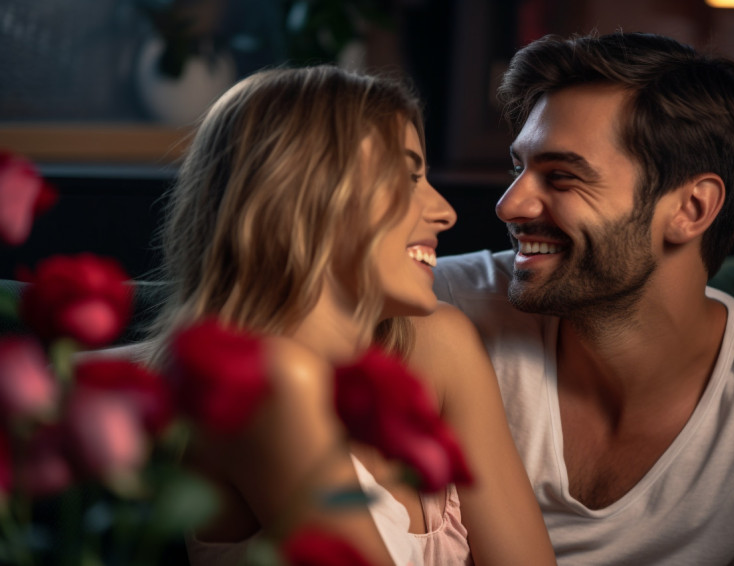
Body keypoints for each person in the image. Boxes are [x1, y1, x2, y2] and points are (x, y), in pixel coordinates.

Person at [413, 32, 734, 565]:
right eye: (519, 168)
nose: (510, 205)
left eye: (562, 176)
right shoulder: (439, 305)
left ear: (691, 208)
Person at [139, 65, 556, 566]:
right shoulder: (266, 383)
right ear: (303, 195)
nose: (445, 211)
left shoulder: (442, 341)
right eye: (405, 177)